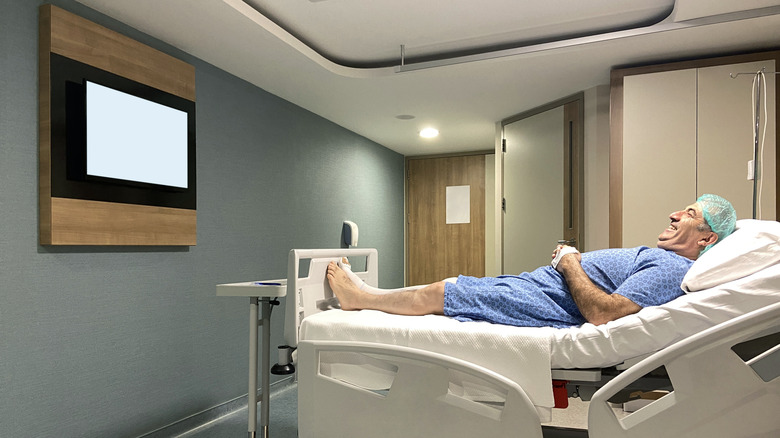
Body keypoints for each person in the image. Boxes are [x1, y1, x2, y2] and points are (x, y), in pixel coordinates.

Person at [326, 194, 737, 328]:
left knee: (445, 291)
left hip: (549, 299)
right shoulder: (665, 260)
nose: (674, 215)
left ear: (707, 238)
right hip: (542, 287)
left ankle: (359, 299)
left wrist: (569, 261)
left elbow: (603, 314)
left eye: (690, 214)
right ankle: (369, 294)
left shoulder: (673, 269)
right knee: (452, 287)